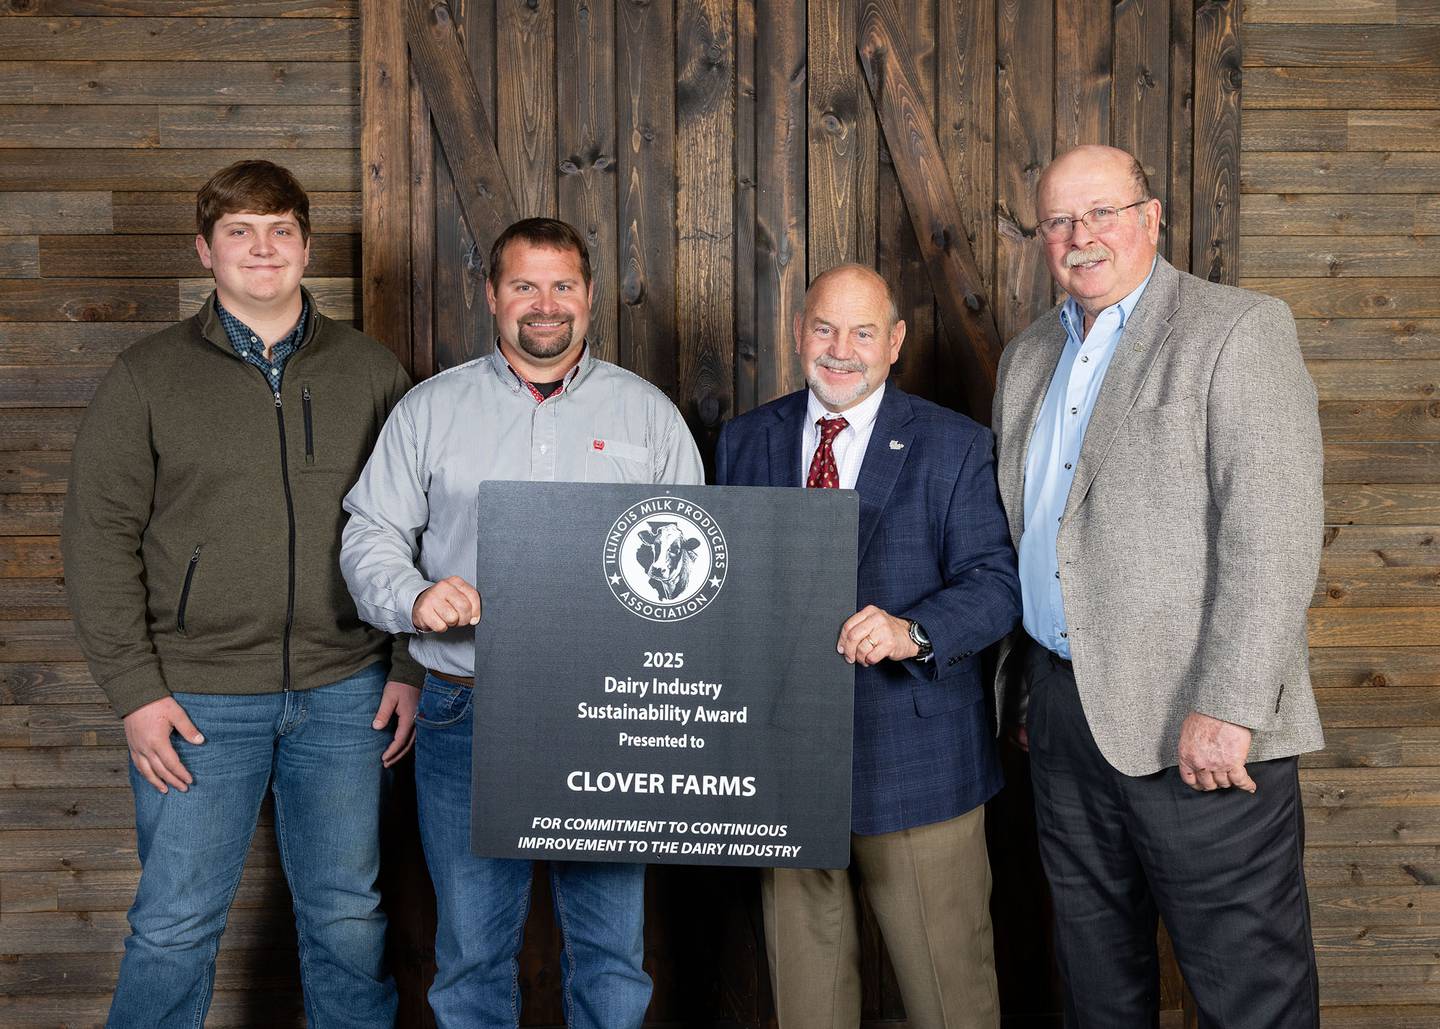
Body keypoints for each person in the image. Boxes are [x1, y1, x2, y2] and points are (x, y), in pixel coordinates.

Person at [61, 160, 419, 1029]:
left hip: (346, 691)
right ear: (205, 250)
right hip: (196, 698)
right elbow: (97, 540)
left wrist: (407, 665)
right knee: (176, 922)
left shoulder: (373, 372)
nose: (263, 249)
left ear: (306, 246)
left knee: (347, 916)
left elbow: (422, 528)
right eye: (239, 232)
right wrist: (136, 692)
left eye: (280, 231)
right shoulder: (147, 376)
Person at [339, 217, 703, 1028]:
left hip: (611, 713)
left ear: (589, 296)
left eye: (562, 285)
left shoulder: (648, 417)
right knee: (470, 952)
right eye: (524, 286)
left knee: (612, 953)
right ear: (492, 295)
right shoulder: (429, 410)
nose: (545, 305)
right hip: (463, 704)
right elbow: (370, 534)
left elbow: (698, 563)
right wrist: (414, 599)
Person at [991, 144, 1324, 1027]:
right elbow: (1038, 535)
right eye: (1059, 219)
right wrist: (1027, 689)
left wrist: (1233, 704)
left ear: (1152, 215)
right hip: (1062, 719)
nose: (1080, 235)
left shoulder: (1236, 328)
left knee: (1249, 991)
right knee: (1098, 988)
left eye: (1101, 211)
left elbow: (1275, 531)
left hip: (1200, 721)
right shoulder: (1025, 358)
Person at [714, 263, 1021, 1028]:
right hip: (781, 768)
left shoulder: (954, 445)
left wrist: (912, 630)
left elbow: (997, 586)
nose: (840, 348)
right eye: (824, 327)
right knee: (807, 1003)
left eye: (861, 331)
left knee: (952, 997)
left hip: (916, 764)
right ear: (797, 333)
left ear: (896, 343)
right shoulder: (745, 441)